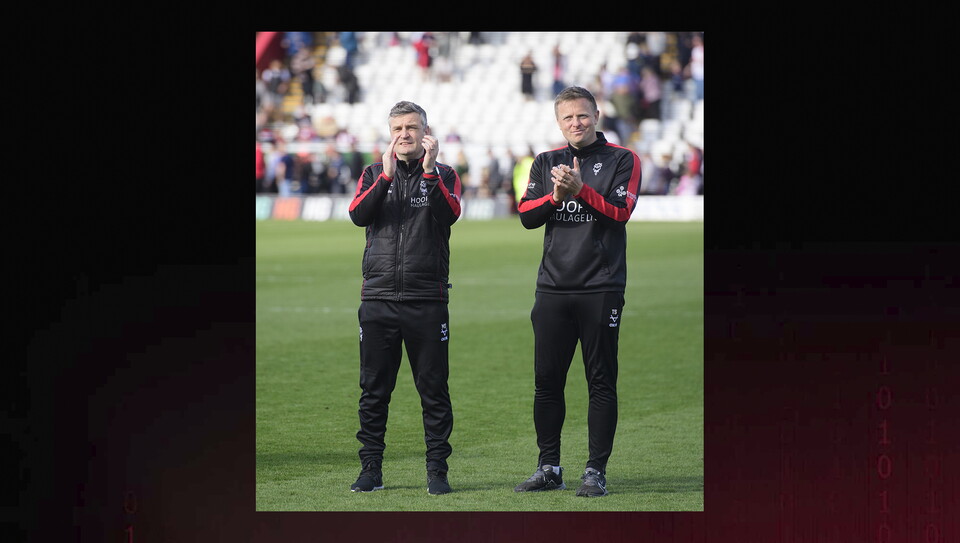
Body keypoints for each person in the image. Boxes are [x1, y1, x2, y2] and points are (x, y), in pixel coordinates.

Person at [514, 86, 642, 498]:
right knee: (546, 381)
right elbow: (527, 218)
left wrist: (581, 190)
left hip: (600, 287)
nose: (576, 123)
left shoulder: (622, 159)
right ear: (559, 121)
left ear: (597, 114)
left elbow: (620, 214)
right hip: (552, 287)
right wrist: (556, 196)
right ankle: (548, 466)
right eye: (568, 118)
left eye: (582, 116)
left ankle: (595, 471)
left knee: (600, 380)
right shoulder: (546, 161)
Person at [347, 100, 462, 496]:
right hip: (378, 299)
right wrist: (386, 178)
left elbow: (449, 215)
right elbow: (358, 215)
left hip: (426, 300)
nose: (404, 135)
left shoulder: (445, 174)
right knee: (373, 391)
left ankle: (437, 472)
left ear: (426, 132)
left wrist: (429, 173)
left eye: (411, 127)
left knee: (433, 391)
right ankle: (371, 471)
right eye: (397, 128)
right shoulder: (373, 173)